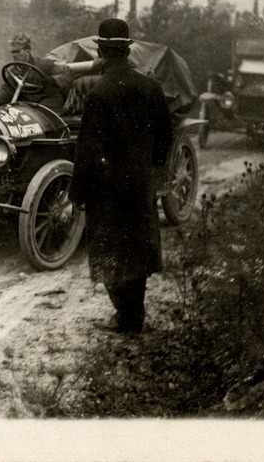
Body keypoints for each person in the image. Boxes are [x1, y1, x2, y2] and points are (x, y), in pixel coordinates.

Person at [69, 18, 174, 335]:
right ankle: (133, 316)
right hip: (139, 184)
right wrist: (148, 166)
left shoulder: (98, 93)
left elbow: (87, 151)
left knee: (109, 250)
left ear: (101, 51)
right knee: (137, 250)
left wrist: (78, 194)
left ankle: (125, 317)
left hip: (107, 190)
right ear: (127, 51)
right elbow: (165, 139)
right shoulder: (151, 88)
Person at [0, 33, 69, 111]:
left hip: (48, 100)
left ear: (27, 50)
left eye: (17, 51)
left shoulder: (45, 64)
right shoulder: (13, 72)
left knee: (38, 112)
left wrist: (52, 80)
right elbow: (7, 89)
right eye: (13, 52)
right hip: (27, 104)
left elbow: (64, 77)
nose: (14, 55)